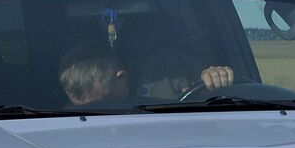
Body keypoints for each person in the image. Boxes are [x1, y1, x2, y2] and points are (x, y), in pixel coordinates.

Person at [59, 41, 234, 106]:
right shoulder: (63, 117)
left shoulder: (174, 70)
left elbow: (221, 101)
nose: (96, 113)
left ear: (121, 77)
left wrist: (216, 78)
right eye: (87, 109)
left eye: (105, 103)